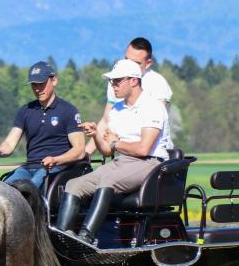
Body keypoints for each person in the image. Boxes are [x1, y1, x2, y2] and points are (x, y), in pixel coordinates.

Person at [55, 59, 170, 244]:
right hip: (122, 161)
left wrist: (116, 143)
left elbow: (143, 149)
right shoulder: (116, 110)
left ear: (133, 81)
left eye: (117, 81)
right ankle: (62, 237)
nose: (113, 85)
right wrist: (96, 136)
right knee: (73, 185)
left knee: (108, 180)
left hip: (150, 163)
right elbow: (108, 151)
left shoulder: (152, 107)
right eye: (111, 81)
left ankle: (86, 238)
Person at [0, 61, 85, 189]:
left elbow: (79, 151)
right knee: (4, 189)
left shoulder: (68, 110)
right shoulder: (25, 110)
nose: (37, 89)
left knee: (30, 189)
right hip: (29, 168)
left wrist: (56, 160)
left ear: (54, 80)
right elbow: (9, 145)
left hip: (56, 168)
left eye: (41, 84)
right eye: (34, 85)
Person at [87, 37, 173, 155]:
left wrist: (115, 143)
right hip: (124, 152)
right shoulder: (117, 82)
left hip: (150, 154)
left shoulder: (157, 84)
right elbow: (107, 119)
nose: (128, 65)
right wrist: (86, 154)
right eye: (127, 59)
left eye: (136, 63)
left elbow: (153, 125)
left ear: (148, 63)